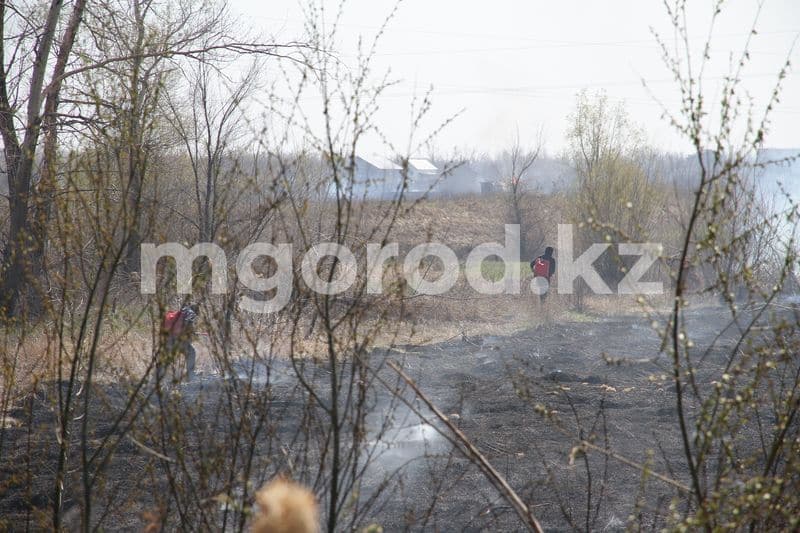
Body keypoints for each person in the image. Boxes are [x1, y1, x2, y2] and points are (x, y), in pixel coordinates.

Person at [162, 303, 199, 382]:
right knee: (191, 352)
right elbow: (187, 330)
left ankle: (161, 377)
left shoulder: (178, 314)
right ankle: (190, 375)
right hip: (178, 341)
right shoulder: (190, 314)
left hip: (167, 340)